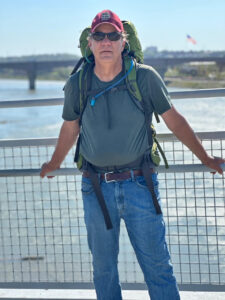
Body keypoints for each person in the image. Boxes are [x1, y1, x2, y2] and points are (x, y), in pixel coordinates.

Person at [40, 9, 224, 300]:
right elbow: (70, 127)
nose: (106, 41)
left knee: (158, 267)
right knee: (103, 270)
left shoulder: (145, 77)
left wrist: (206, 159)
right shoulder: (78, 83)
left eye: (113, 35)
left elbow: (174, 120)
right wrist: (53, 163)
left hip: (141, 185)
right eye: (99, 35)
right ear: (90, 42)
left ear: (123, 41)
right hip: (95, 188)